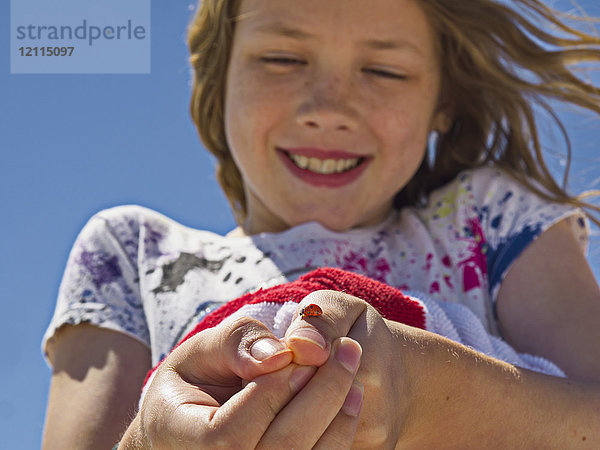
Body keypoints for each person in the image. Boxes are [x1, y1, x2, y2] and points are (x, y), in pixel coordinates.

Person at [42, 0, 600, 448]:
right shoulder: (131, 254)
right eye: (283, 59)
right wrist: (149, 443)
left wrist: (424, 389)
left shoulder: (491, 219)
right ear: (218, 77)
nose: (329, 106)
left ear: (443, 103)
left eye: (384, 70)